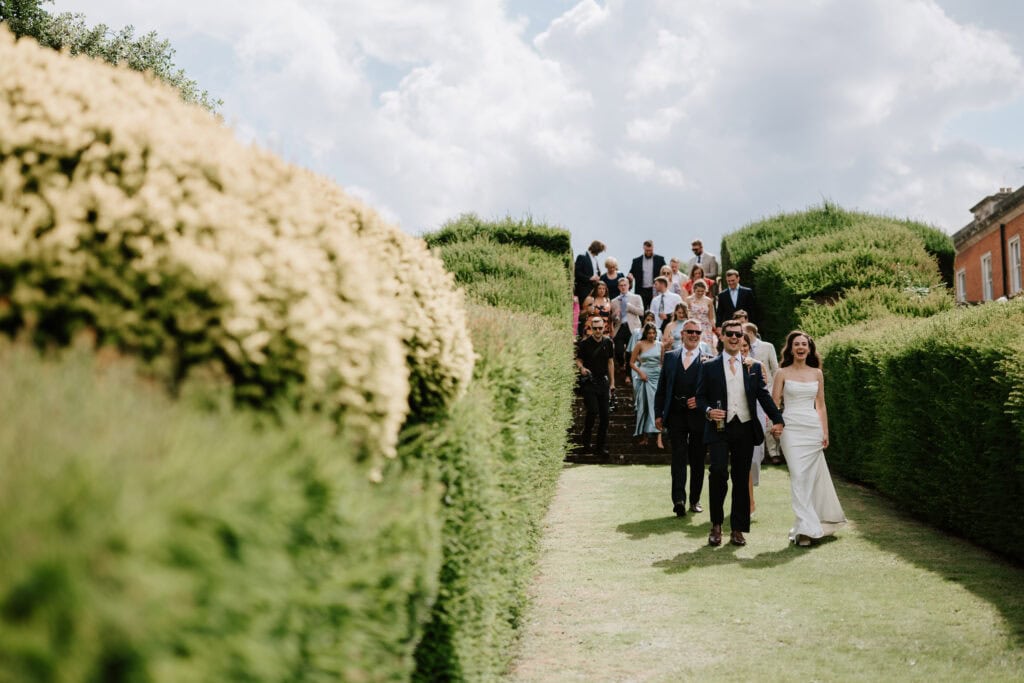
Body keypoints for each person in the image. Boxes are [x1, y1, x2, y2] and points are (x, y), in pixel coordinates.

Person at [699, 319, 784, 547]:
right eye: (730, 334)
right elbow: (700, 397)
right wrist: (708, 411)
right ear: (722, 336)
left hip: (744, 427)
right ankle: (716, 525)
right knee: (718, 472)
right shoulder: (709, 366)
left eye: (738, 335)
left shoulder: (753, 367)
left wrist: (778, 419)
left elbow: (763, 396)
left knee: (740, 477)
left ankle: (737, 529)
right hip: (719, 428)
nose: (735, 338)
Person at [772, 331, 846, 547]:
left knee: (810, 479)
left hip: (812, 429)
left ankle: (806, 527)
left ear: (809, 349)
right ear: (790, 349)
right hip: (791, 429)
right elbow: (774, 402)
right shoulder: (781, 373)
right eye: (796, 344)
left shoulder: (817, 373)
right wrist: (775, 424)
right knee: (798, 476)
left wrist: (825, 431)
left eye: (804, 344)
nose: (800, 347)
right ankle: (806, 528)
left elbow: (821, 405)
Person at [655, 318, 711, 516]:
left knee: (697, 459)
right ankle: (678, 499)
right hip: (675, 414)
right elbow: (662, 387)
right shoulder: (671, 357)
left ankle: (695, 500)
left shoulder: (709, 359)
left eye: (697, 332)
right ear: (682, 334)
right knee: (678, 457)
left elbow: (714, 390)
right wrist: (658, 413)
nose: (694, 335)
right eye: (690, 332)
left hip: (699, 416)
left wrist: (701, 401)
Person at [738, 332, 770, 514]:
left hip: (757, 410)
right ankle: (749, 500)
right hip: (740, 413)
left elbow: (764, 393)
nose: (742, 349)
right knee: (746, 459)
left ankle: (751, 487)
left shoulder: (758, 366)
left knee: (756, 458)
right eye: (740, 345)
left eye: (745, 346)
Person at [576, 315, 615, 456]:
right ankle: (586, 443)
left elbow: (610, 363)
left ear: (604, 328)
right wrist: (582, 368)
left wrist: (612, 383)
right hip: (589, 382)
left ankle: (600, 447)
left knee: (605, 416)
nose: (598, 331)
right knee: (592, 411)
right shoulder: (584, 344)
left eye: (600, 328)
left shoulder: (608, 342)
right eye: (595, 328)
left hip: (603, 382)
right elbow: (578, 360)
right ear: (591, 329)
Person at [744, 321, 782, 464]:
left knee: (769, 421)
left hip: (767, 389)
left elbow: (775, 369)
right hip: (749, 392)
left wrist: (775, 390)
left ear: (750, 332)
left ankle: (773, 452)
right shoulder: (740, 347)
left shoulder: (767, 346)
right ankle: (755, 453)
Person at [629, 323, 662, 447]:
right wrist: (640, 372)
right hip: (644, 377)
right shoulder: (640, 344)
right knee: (644, 406)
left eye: (653, 333)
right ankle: (645, 437)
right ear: (645, 333)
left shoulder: (660, 345)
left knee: (657, 406)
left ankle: (659, 437)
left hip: (657, 377)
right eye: (649, 333)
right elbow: (631, 362)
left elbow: (662, 363)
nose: (651, 335)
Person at [610, 277, 644, 367]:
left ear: (629, 286)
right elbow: (612, 318)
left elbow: (641, 312)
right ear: (618, 287)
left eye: (625, 285)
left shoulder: (636, 297)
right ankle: (621, 365)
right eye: (621, 285)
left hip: (632, 327)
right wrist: (615, 315)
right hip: (620, 327)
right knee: (618, 351)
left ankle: (629, 371)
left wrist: (629, 306)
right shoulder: (614, 301)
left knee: (630, 352)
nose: (623, 287)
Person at [628, 240, 667, 311]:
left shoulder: (660, 260)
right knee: (641, 311)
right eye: (647, 250)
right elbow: (631, 273)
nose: (648, 252)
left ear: (653, 248)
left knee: (655, 310)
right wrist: (630, 276)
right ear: (644, 248)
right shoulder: (636, 261)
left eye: (650, 250)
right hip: (641, 290)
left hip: (655, 290)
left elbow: (666, 271)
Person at [685, 279, 717, 349]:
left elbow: (711, 317)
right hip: (693, 325)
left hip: (705, 326)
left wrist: (714, 328)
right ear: (694, 290)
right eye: (698, 291)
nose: (700, 293)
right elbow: (686, 315)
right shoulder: (688, 300)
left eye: (702, 291)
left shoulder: (708, 301)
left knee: (706, 346)